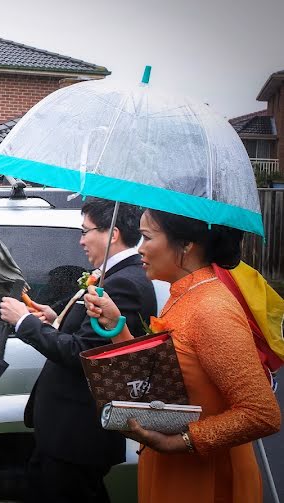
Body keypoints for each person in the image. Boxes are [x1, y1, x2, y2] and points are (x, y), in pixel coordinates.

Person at [84, 208, 281, 503]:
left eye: (147, 237)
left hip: (204, 477)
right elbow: (164, 375)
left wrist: (182, 441)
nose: (139, 249)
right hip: (172, 463)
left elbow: (261, 414)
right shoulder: (183, 295)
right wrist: (116, 326)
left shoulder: (212, 309)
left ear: (186, 244)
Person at [0, 199, 156, 502]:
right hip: (66, 431)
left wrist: (25, 323)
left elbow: (84, 356)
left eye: (86, 232)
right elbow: (90, 337)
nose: (80, 240)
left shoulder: (125, 284)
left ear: (112, 234)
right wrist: (55, 319)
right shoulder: (109, 275)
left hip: (78, 434)